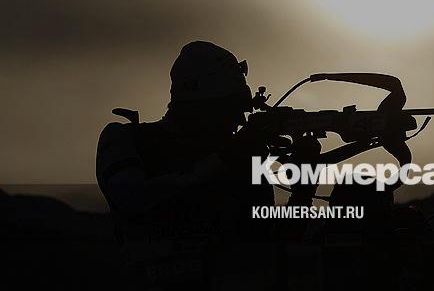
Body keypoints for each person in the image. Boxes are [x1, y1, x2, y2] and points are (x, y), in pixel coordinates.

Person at [95, 41, 316, 289]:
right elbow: (134, 200)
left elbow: (271, 247)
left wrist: (304, 188)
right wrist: (226, 158)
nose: (239, 120)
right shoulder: (126, 139)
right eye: (228, 109)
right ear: (195, 107)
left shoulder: (239, 160)